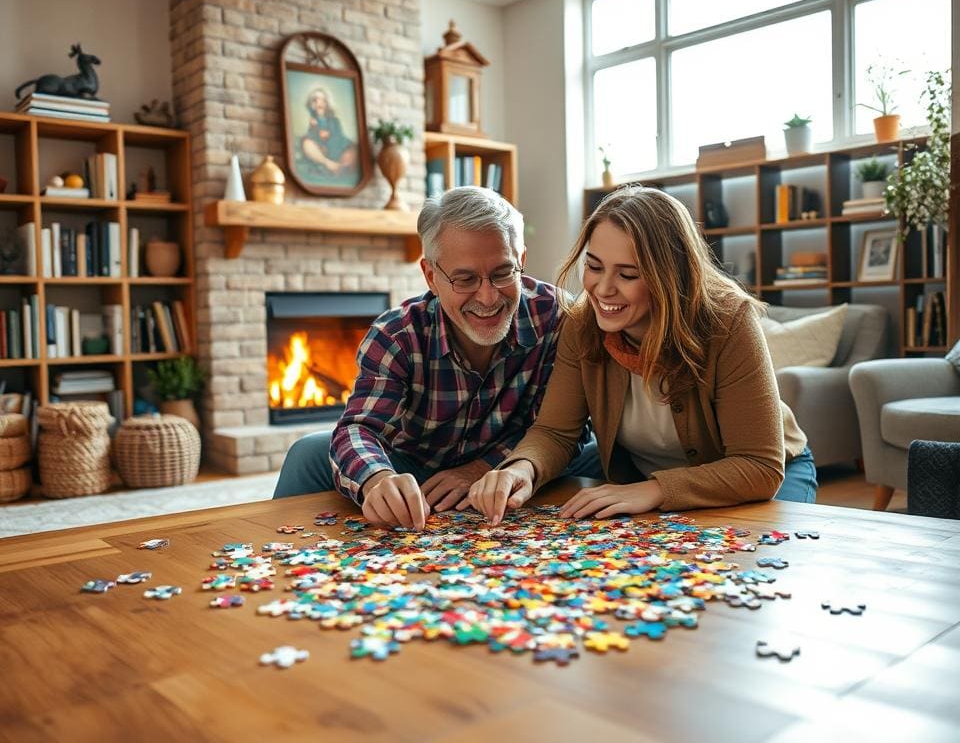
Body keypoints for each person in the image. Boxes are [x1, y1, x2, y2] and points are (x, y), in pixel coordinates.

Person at [469, 185, 817, 526]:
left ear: (670, 276)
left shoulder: (729, 320)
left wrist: (655, 490)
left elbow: (759, 466)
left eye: (628, 273)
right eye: (594, 266)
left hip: (762, 477)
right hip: (641, 479)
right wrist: (522, 467)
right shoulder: (581, 324)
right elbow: (556, 432)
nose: (603, 289)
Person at [273, 186, 600, 528]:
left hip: (513, 463)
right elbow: (360, 427)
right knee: (310, 452)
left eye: (503, 273)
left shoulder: (559, 318)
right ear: (431, 276)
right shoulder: (396, 335)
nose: (488, 297)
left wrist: (483, 467)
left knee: (598, 453)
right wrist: (379, 480)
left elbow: (563, 429)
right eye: (465, 279)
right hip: (418, 471)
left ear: (521, 261)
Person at [300, 87, 358, 178]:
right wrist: (316, 130)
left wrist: (328, 135)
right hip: (322, 148)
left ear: (327, 104)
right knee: (306, 143)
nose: (319, 103)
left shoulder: (334, 120)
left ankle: (340, 167)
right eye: (315, 101)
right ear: (311, 105)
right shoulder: (313, 122)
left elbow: (338, 136)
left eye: (322, 100)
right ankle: (330, 164)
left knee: (353, 151)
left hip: (337, 146)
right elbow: (311, 137)